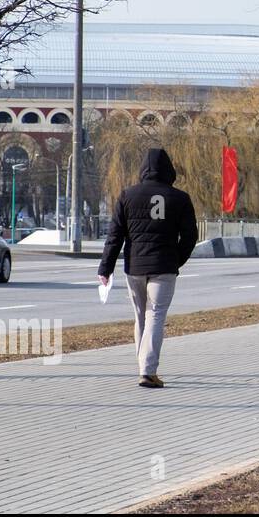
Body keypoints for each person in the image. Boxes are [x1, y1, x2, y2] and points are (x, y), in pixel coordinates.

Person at [97, 148, 198, 388]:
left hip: (135, 266)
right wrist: (177, 259)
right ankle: (148, 370)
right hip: (164, 266)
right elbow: (190, 236)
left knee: (141, 315)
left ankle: (143, 366)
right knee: (156, 315)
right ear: (169, 170)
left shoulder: (127, 196)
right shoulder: (180, 198)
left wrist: (105, 267)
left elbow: (115, 236)